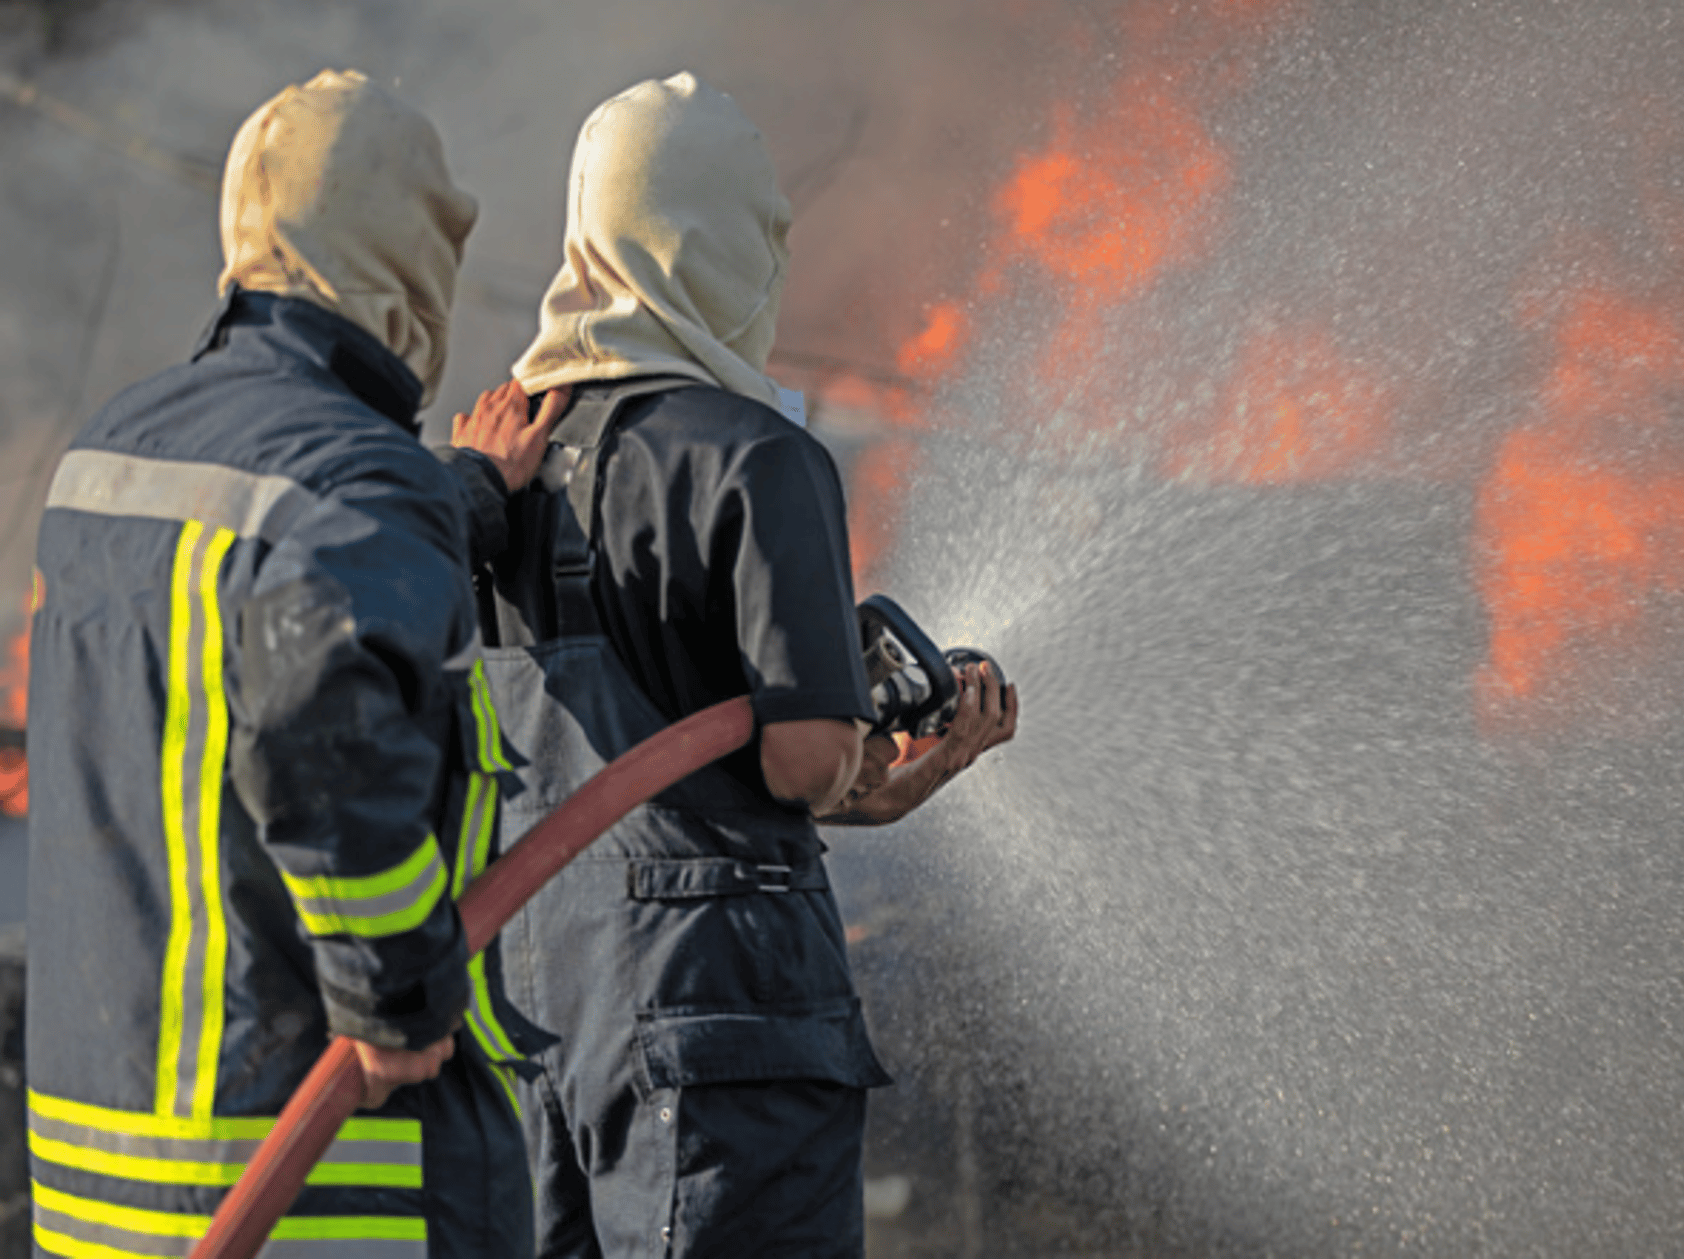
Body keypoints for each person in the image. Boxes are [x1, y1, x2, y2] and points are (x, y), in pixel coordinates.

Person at [471, 73, 1015, 1256]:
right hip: (719, 1020)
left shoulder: (501, 457)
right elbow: (806, 758)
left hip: (533, 991)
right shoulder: (760, 458)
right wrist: (907, 753)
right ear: (720, 243)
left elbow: (632, 782)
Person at [25, 69, 559, 1258]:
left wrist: (456, 497)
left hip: (99, 1187)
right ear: (408, 254)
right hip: (311, 1186)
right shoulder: (355, 482)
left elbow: (261, 582)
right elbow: (315, 709)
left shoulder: (114, 453)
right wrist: (393, 990)